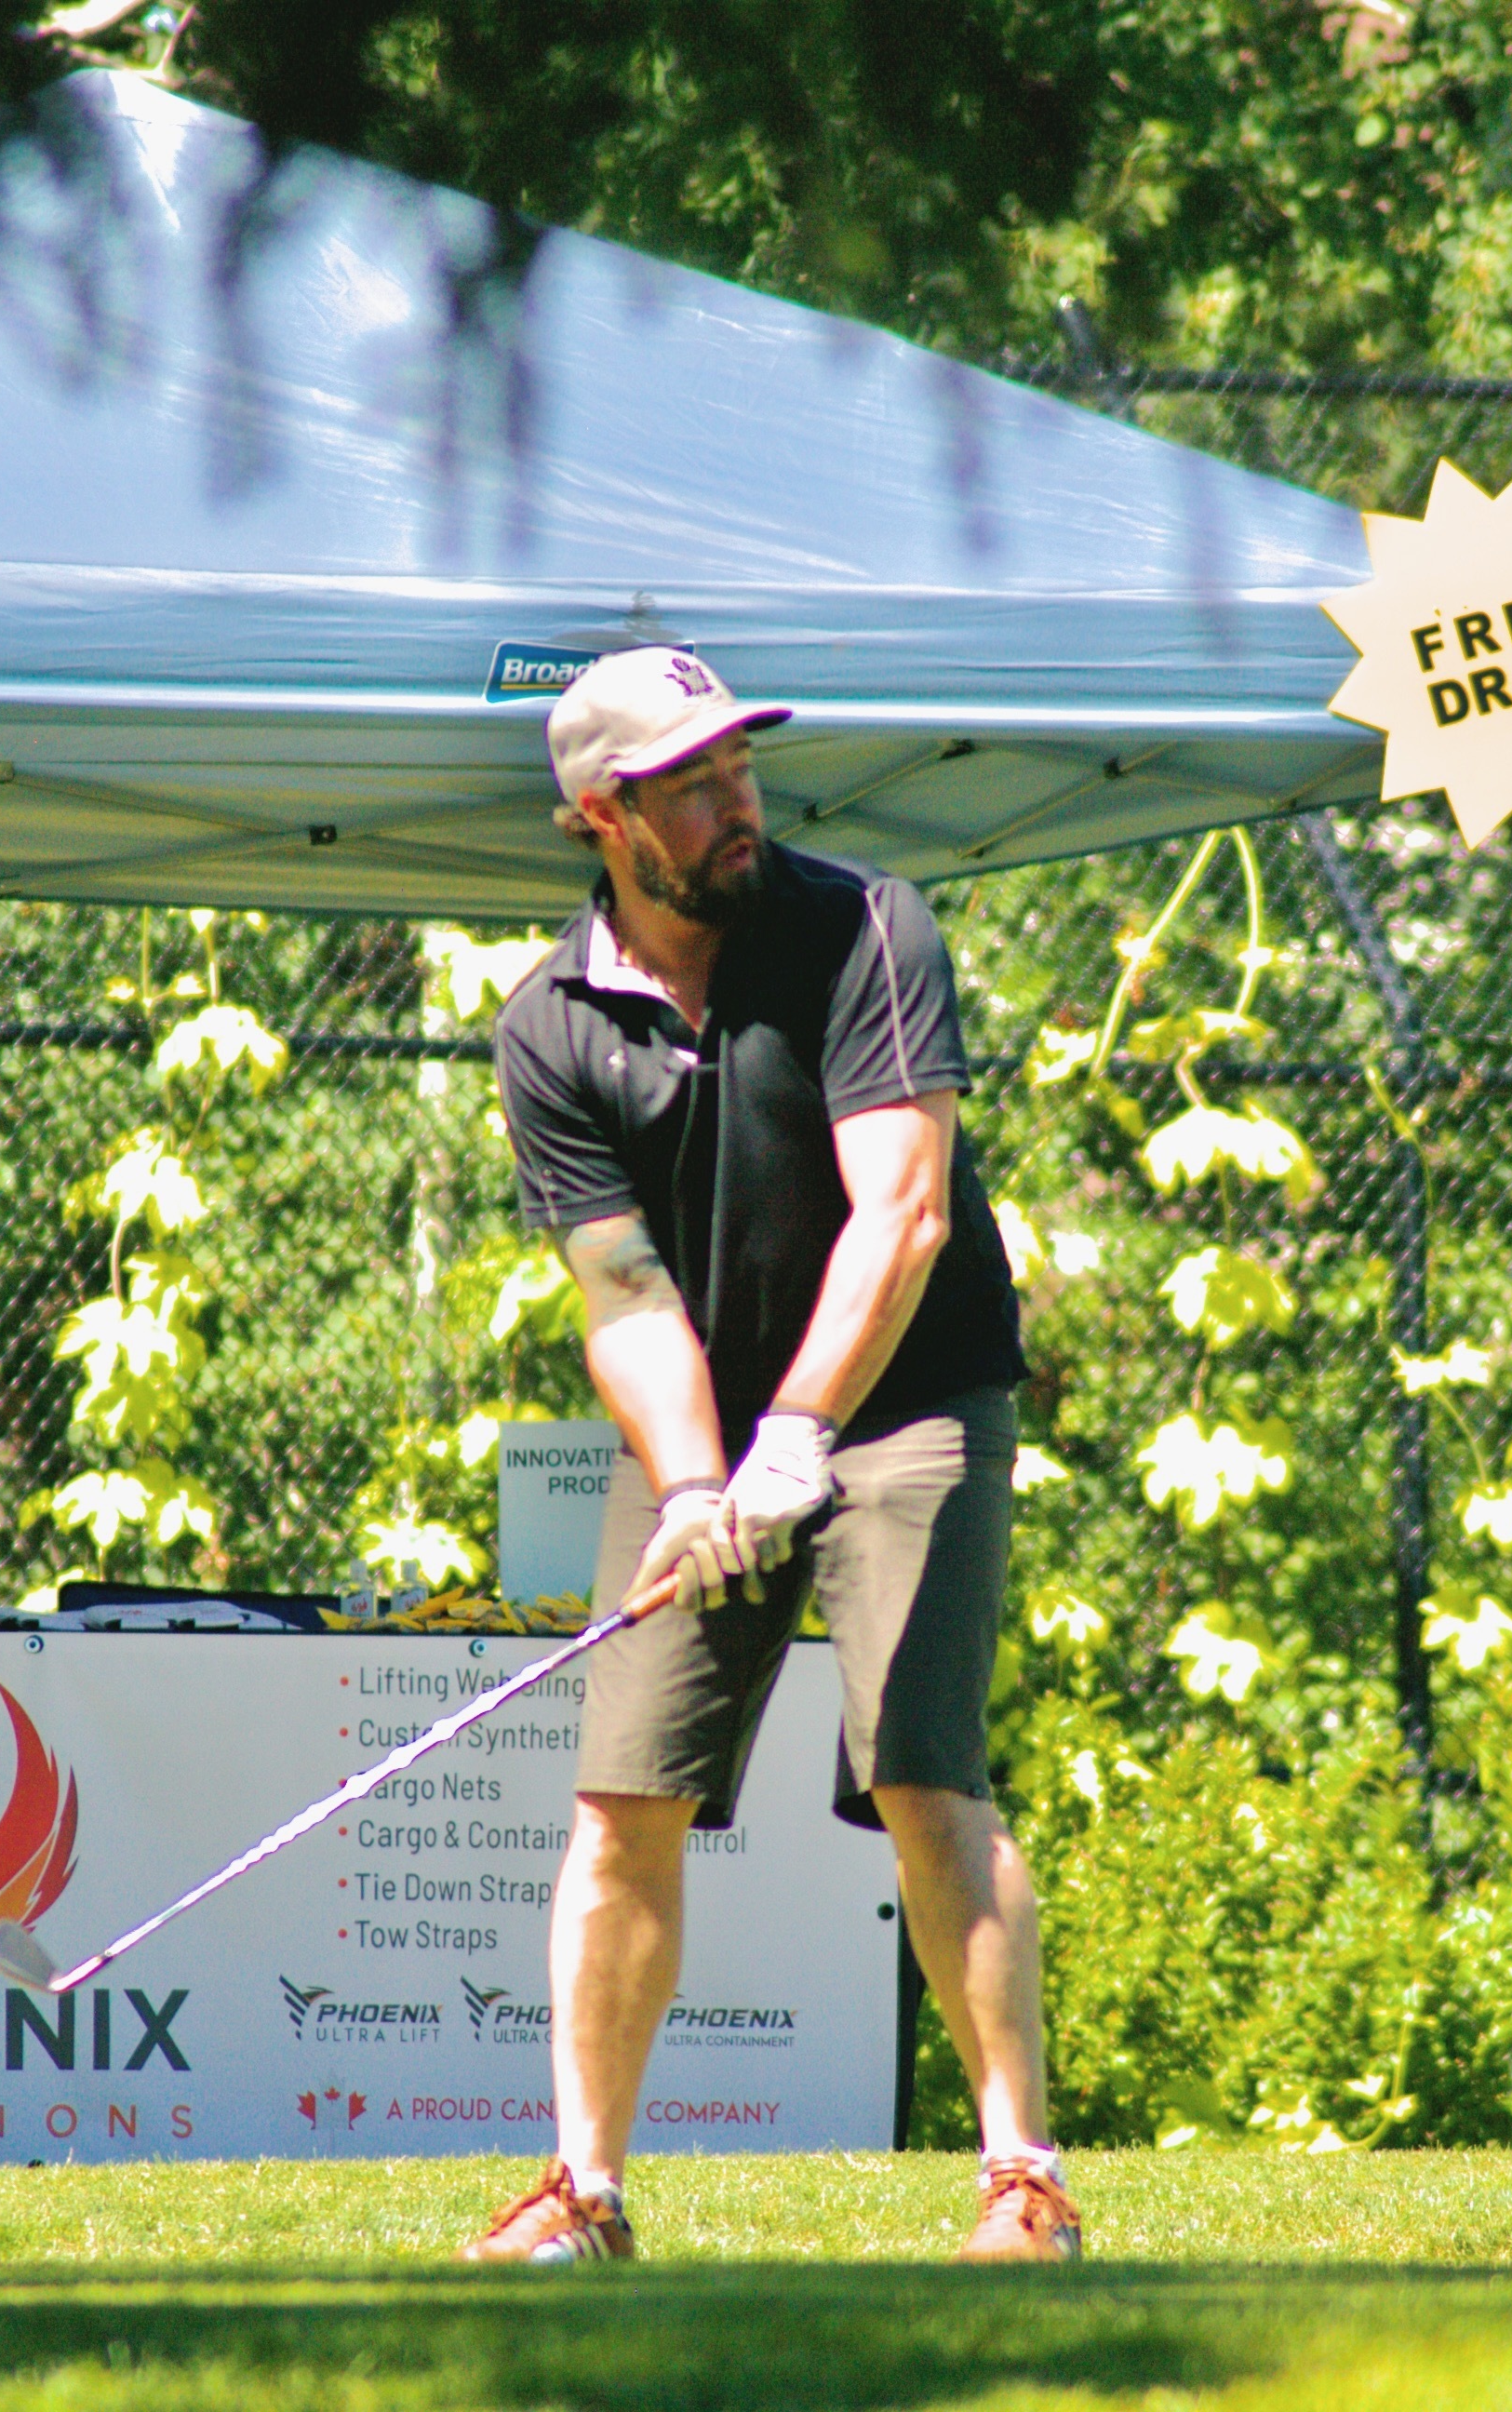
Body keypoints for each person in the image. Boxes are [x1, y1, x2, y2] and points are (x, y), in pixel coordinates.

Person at [458, 647, 1079, 2267]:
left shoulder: (866, 925)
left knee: (922, 1775)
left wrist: (799, 1436)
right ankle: (584, 2195)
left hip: (912, 1398)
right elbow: (623, 1291)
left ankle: (1024, 2182)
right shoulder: (548, 1024)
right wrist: (691, 1486)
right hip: (713, 1434)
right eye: (693, 785)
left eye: (740, 766)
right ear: (600, 818)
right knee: (624, 1796)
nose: (739, 802)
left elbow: (906, 1213)